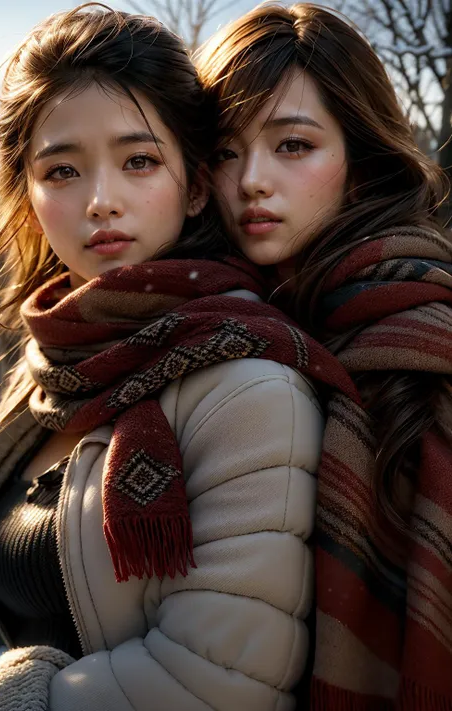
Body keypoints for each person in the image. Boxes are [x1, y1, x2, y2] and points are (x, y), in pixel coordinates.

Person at [0, 3, 345, 710]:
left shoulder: (248, 386)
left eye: (139, 160)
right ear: (26, 191)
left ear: (197, 182)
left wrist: (17, 694)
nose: (101, 200)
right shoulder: (48, 367)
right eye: (62, 170)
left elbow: (217, 684)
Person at [197, 3, 452, 709]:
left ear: (361, 166)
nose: (250, 179)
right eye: (224, 150)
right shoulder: (211, 331)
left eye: (293, 145)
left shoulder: (423, 341)